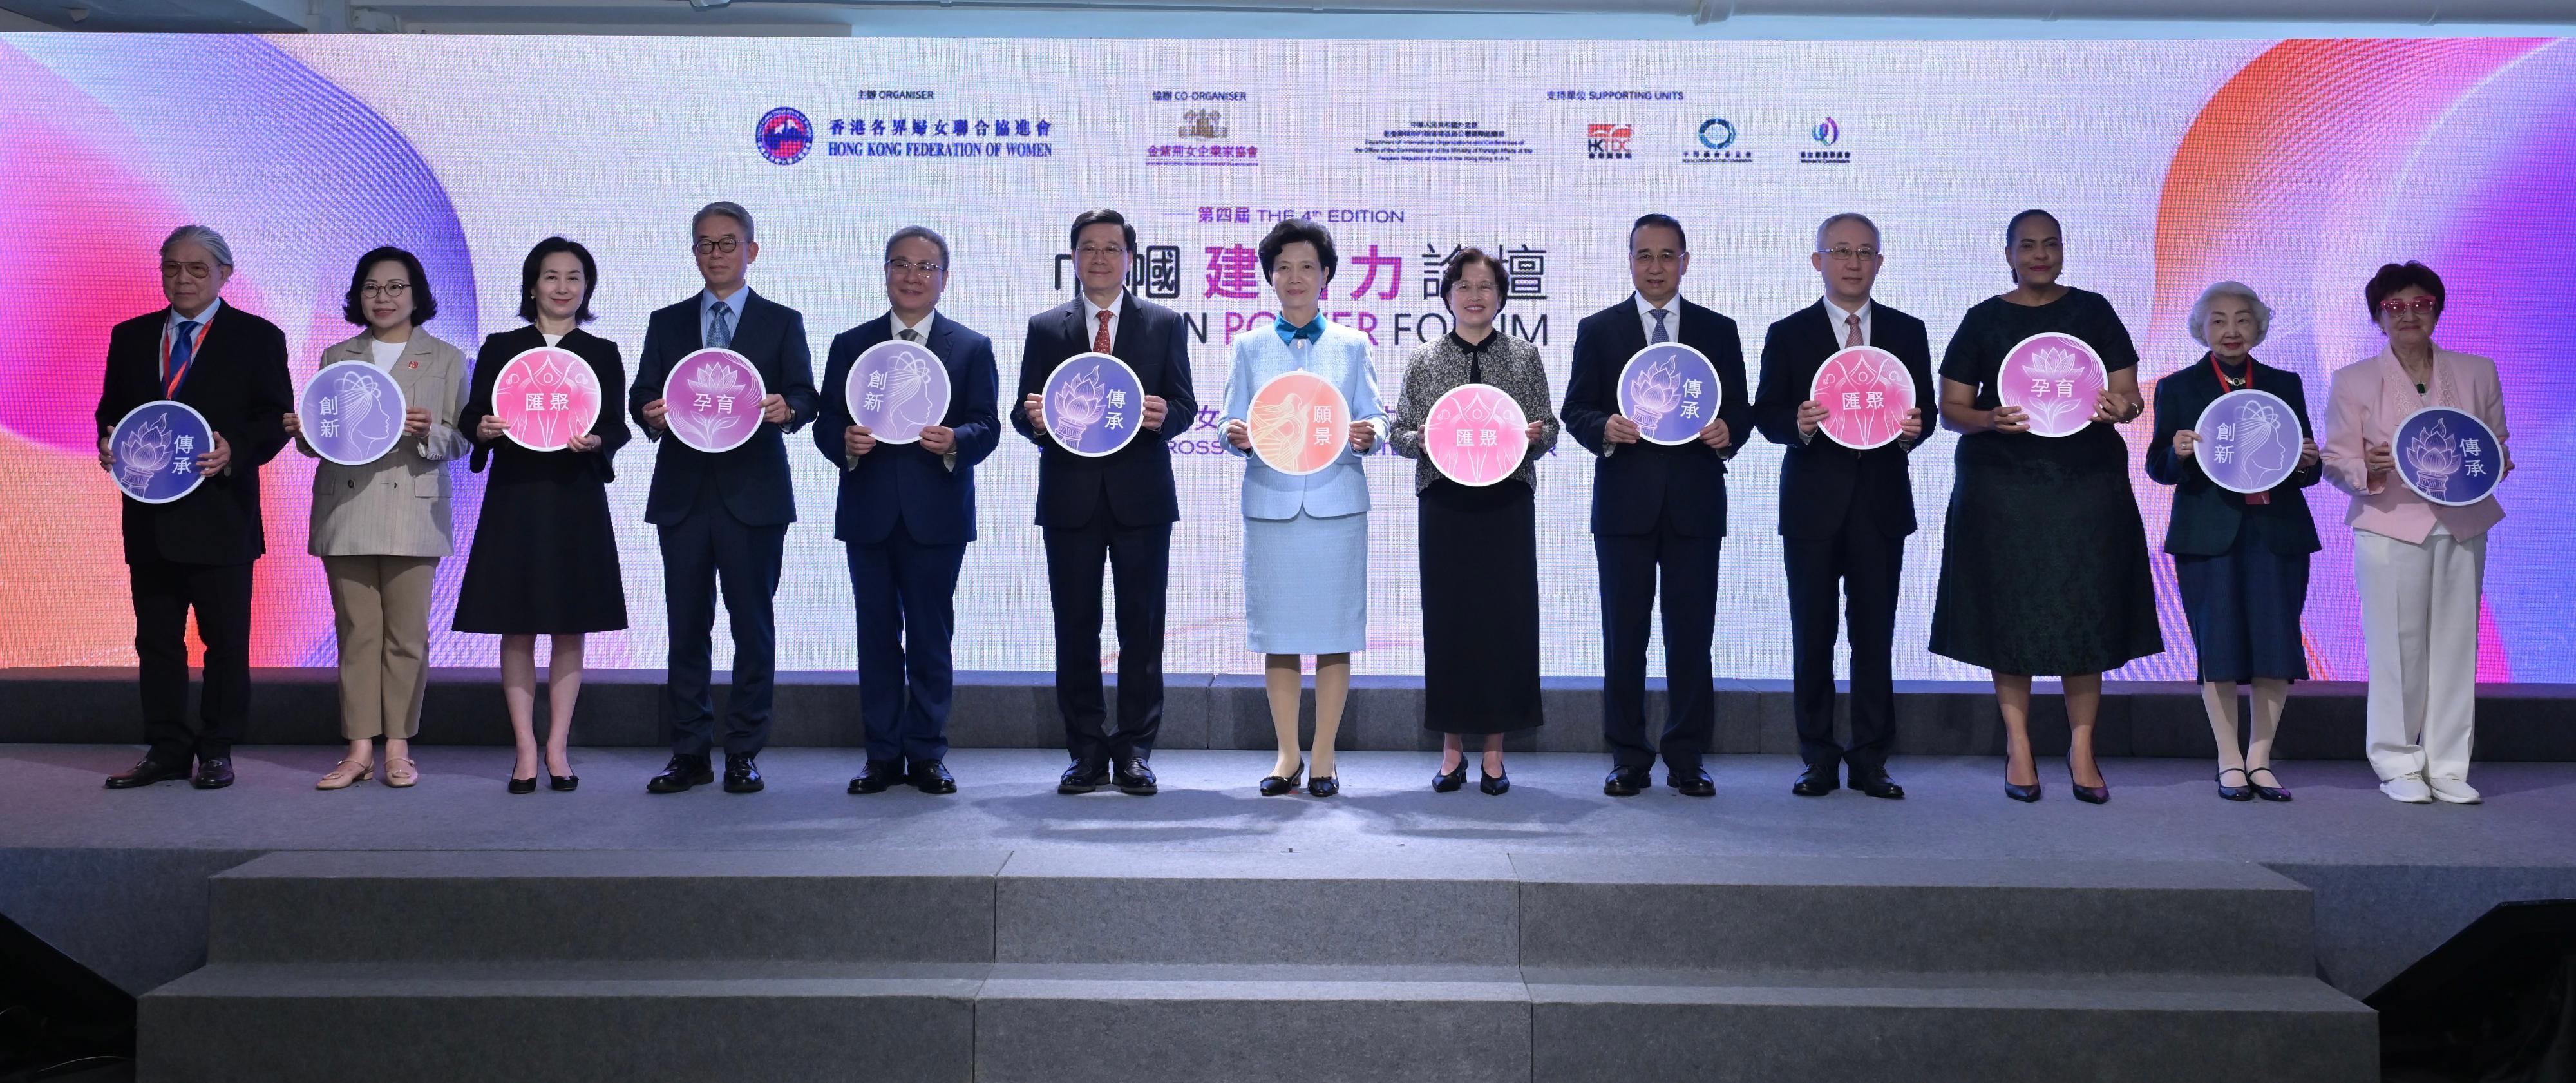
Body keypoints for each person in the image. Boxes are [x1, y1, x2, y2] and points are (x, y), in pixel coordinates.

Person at [1929, 209, 2161, 804]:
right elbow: (1951, 408)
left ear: (2063, 250)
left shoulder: (2094, 311)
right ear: (2008, 254)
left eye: (2050, 244)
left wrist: (2124, 408)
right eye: (2027, 245)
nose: (2039, 255)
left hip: (2087, 486)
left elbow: (2129, 395)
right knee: (2009, 612)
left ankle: (2082, 747)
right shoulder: (1983, 318)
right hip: (2002, 490)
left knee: (2088, 608)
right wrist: (1988, 418)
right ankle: (2020, 745)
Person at [1560, 213, 1752, 798]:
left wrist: (1729, 432)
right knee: (1625, 636)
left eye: (1668, 255)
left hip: (1696, 505)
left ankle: (1687, 757)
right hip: (1625, 508)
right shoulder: (1600, 329)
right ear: (1630, 262)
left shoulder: (1718, 330)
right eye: (1645, 255)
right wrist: (1605, 428)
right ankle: (1628, 755)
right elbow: (1576, 409)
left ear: (1685, 262)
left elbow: (1741, 411)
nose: (1656, 267)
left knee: (1692, 637)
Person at [629, 202, 817, 795]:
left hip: (754, 496)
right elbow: (642, 392)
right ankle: (689, 751)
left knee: (752, 627)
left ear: (751, 251)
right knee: (686, 627)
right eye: (706, 244)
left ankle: (743, 750)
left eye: (728, 243)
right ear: (694, 253)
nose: (717, 254)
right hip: (682, 496)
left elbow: (806, 395)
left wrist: (789, 409)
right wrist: (648, 413)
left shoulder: (782, 321)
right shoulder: (666, 322)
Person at [97, 225, 292, 791]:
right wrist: (108, 442)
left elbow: (275, 418)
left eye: (197, 268)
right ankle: (165, 748)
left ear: (224, 275)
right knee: (156, 641)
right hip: (151, 517)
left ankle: (217, 749)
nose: (182, 279)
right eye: (172, 268)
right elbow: (111, 410)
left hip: (221, 515)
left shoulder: (257, 337)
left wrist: (236, 449)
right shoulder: (131, 336)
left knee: (224, 642)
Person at [1011, 209, 1198, 797]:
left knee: (1142, 629)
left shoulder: (1163, 323)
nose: (1099, 258)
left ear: (1129, 258)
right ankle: (1087, 752)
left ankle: (1135, 750)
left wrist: (1166, 416)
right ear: (1073, 258)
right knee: (1075, 627)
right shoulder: (1047, 327)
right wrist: (1034, 420)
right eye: (1088, 248)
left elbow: (1185, 405)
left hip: (1142, 499)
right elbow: (1021, 409)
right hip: (1070, 498)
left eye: (1111, 248)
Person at [1752, 213, 1934, 801]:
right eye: (1840, 251)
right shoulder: (1789, 332)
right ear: (1818, 261)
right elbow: (1766, 413)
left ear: (1879, 262)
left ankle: (1872, 759)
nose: (1853, 263)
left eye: (1864, 252)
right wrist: (1798, 423)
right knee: (1813, 634)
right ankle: (1818, 757)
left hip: (1881, 502)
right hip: (1812, 505)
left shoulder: (1907, 331)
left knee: (1874, 636)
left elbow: (1926, 411)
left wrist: (1914, 430)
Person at [819, 227, 999, 796]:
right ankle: (880, 755)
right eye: (901, 264)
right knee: (875, 637)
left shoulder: (970, 347)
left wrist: (956, 440)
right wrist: (845, 442)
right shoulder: (852, 344)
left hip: (937, 515)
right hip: (869, 513)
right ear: (885, 272)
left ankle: (926, 753)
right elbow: (826, 424)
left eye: (926, 267)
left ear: (945, 277)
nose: (912, 276)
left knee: (929, 637)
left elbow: (988, 425)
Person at [2322, 261, 2510, 805]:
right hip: (2390, 523)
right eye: (2395, 306)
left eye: (2421, 304)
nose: (2409, 315)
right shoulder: (2354, 379)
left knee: (2457, 646)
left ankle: (2449, 764)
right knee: (2395, 648)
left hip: (2462, 523)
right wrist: (2369, 467)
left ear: (2438, 309)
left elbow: (2495, 443)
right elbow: (2336, 459)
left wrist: (2496, 463)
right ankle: (2398, 761)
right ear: (2378, 316)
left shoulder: (2477, 371)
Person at [287, 247, 471, 791]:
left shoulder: (447, 357)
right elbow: (322, 439)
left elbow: (461, 439)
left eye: (395, 287)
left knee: (407, 635)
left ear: (416, 295)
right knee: (357, 633)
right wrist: (303, 432)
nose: (382, 297)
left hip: (414, 509)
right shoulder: (337, 355)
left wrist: (428, 431)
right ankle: (358, 748)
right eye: (371, 287)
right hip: (348, 507)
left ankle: (398, 746)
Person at [455, 237, 631, 793]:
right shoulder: (502, 346)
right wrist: (482, 429)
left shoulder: (601, 352)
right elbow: (472, 415)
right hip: (516, 495)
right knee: (517, 622)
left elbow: (618, 425)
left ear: (587, 287)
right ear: (532, 285)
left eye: (574, 277)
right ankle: (525, 748)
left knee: (570, 622)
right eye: (551, 276)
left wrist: (599, 441)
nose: (562, 287)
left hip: (576, 496)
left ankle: (557, 745)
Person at [1218, 218, 1387, 797]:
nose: (1295, 277)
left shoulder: (1352, 344)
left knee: (1335, 634)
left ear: (1326, 275)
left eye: (1307, 267)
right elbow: (1229, 418)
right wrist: (1235, 435)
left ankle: (1324, 757)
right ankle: (1287, 755)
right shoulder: (1249, 346)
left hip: (1337, 506)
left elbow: (1377, 415)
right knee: (1280, 634)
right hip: (1273, 505)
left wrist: (1370, 434)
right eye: (1284, 267)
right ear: (1270, 276)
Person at [1388, 247, 1557, 794]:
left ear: (1502, 295)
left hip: (1506, 505)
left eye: (1485, 286)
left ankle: (1494, 752)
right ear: (1447, 294)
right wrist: (1424, 439)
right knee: (1450, 623)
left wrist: (1536, 435)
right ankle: (1451, 749)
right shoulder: (1425, 359)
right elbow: (1398, 433)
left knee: (1506, 622)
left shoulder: (1524, 356)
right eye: (1463, 285)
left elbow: (1550, 427)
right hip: (1446, 506)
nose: (1475, 295)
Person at [2146, 282, 2322, 803]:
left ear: (2259, 327)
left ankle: (2260, 760)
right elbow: (2158, 467)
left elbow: (2305, 468)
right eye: (2218, 319)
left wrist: (2309, 461)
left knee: (2275, 644)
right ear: (2201, 329)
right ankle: (2229, 759)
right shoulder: (2178, 387)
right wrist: (2177, 453)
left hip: (2277, 531)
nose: (2231, 330)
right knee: (2217, 646)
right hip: (2208, 535)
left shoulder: (2284, 384)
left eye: (2243, 319)